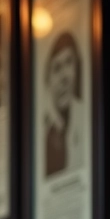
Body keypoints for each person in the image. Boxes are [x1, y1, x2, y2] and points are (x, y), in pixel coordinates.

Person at [43, 31, 84, 178]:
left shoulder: (86, 119)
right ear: (48, 79)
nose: (64, 77)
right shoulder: (43, 131)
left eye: (69, 63)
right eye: (57, 68)